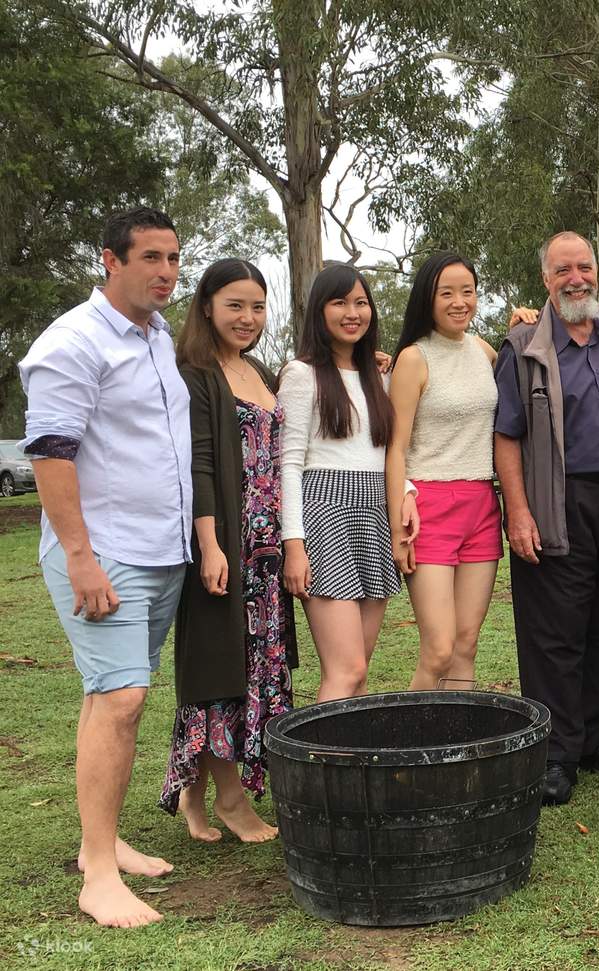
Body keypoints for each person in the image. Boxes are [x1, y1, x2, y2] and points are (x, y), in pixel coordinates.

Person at [19, 207, 189, 927]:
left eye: (174, 258)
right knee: (122, 700)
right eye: (150, 257)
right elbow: (50, 454)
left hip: (161, 549)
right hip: (106, 553)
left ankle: (106, 841)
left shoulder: (158, 337)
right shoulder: (73, 341)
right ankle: (97, 874)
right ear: (109, 261)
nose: (166, 271)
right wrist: (82, 559)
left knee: (111, 696)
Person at [494, 231, 599, 806]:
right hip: (556, 502)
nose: (576, 277)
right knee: (553, 634)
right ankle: (554, 755)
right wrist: (519, 513)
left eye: (584, 266)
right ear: (546, 279)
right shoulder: (523, 345)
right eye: (564, 270)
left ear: (598, 271)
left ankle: (591, 738)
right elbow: (505, 435)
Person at [159, 258, 296, 842]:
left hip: (265, 550)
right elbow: (199, 467)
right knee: (221, 671)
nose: (248, 317)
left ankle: (194, 789)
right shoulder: (194, 373)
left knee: (256, 668)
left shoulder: (259, 370)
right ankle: (232, 801)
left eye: (257, 306)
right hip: (224, 547)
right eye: (235, 305)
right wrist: (211, 546)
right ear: (208, 305)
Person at [280, 264, 415, 702]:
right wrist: (294, 545)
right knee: (345, 670)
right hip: (324, 515)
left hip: (374, 514)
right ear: (319, 311)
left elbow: (386, 451)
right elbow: (289, 464)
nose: (352, 312)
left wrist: (407, 493)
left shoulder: (380, 375)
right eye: (339, 303)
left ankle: (350, 768)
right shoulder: (301, 374)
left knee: (360, 674)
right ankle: (311, 770)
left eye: (360, 302)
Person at [387, 253, 518, 690]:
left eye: (468, 291)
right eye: (447, 293)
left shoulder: (481, 349)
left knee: (466, 645)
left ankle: (454, 753)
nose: (460, 302)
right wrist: (397, 523)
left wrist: (525, 326)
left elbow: (523, 368)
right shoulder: (414, 358)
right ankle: (409, 751)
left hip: (482, 504)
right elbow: (396, 447)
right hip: (429, 507)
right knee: (439, 648)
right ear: (428, 298)